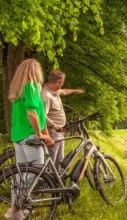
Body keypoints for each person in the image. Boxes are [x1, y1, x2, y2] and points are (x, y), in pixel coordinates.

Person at [5, 59, 54, 220]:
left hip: (18, 136)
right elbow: (32, 114)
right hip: (30, 136)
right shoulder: (31, 86)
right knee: (37, 171)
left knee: (20, 174)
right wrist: (40, 135)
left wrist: (47, 135)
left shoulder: (19, 89)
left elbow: (40, 116)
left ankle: (15, 212)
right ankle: (16, 207)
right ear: (35, 71)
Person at [41, 69, 84, 172]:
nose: (63, 83)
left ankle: (57, 182)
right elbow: (42, 115)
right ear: (58, 82)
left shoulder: (55, 91)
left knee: (60, 160)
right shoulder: (46, 96)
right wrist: (54, 126)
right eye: (63, 81)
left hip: (60, 131)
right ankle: (46, 183)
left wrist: (75, 91)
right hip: (53, 132)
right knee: (52, 159)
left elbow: (64, 91)